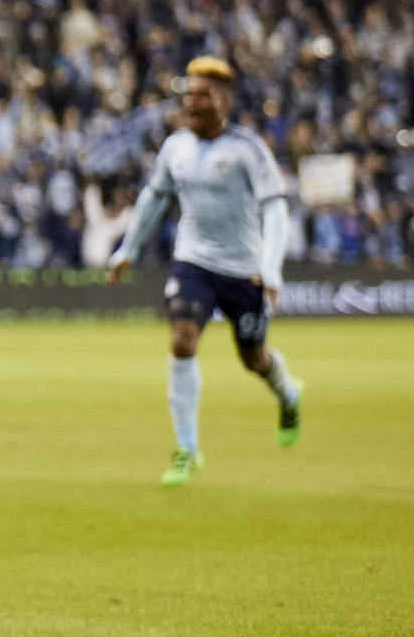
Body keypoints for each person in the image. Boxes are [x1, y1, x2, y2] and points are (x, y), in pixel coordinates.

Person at [106, 57, 304, 486]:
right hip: (194, 260)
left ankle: (288, 393)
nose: (190, 103)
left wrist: (270, 268)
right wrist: (128, 249)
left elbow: (275, 209)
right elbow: (154, 198)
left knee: (253, 358)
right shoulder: (175, 147)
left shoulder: (247, 149)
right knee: (181, 339)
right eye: (187, 95)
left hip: (244, 270)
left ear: (223, 102)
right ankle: (187, 449)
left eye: (201, 95)